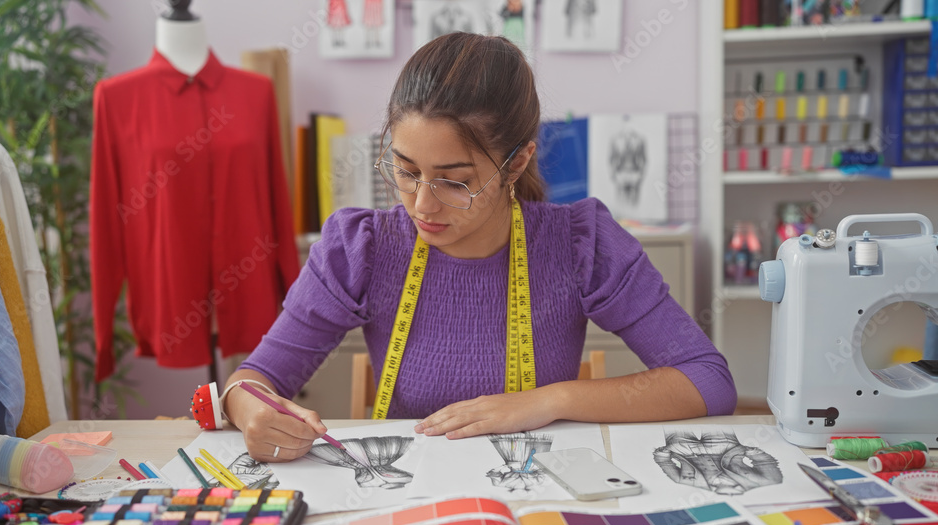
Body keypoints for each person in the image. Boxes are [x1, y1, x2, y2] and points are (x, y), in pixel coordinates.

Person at [222, 32, 736, 463]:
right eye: (405, 170)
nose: (422, 204)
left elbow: (708, 381)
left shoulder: (582, 245)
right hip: (415, 498)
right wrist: (252, 412)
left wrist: (550, 401)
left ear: (517, 163)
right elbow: (252, 381)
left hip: (535, 489)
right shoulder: (359, 249)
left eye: (455, 181)